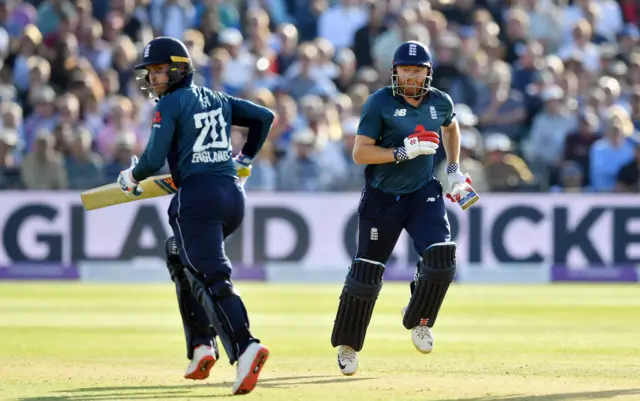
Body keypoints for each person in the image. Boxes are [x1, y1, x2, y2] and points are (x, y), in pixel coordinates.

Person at [117, 36, 274, 395]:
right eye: (151, 72)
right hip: (231, 196)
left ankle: (246, 347)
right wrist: (245, 159)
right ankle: (202, 344)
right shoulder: (216, 98)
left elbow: (154, 159)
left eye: (159, 71)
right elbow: (264, 118)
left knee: (210, 275)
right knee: (179, 255)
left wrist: (132, 176)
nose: (154, 79)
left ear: (178, 69)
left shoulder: (170, 104)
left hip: (198, 200)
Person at [330, 40, 476, 375]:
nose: (411, 76)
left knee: (442, 259)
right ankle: (348, 346)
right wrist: (398, 153)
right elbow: (360, 153)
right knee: (366, 275)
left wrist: (453, 169)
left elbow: (451, 127)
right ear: (394, 71)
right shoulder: (379, 103)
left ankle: (419, 318)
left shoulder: (440, 101)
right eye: (405, 69)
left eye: (417, 70)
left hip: (423, 191)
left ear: (428, 72)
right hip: (383, 197)